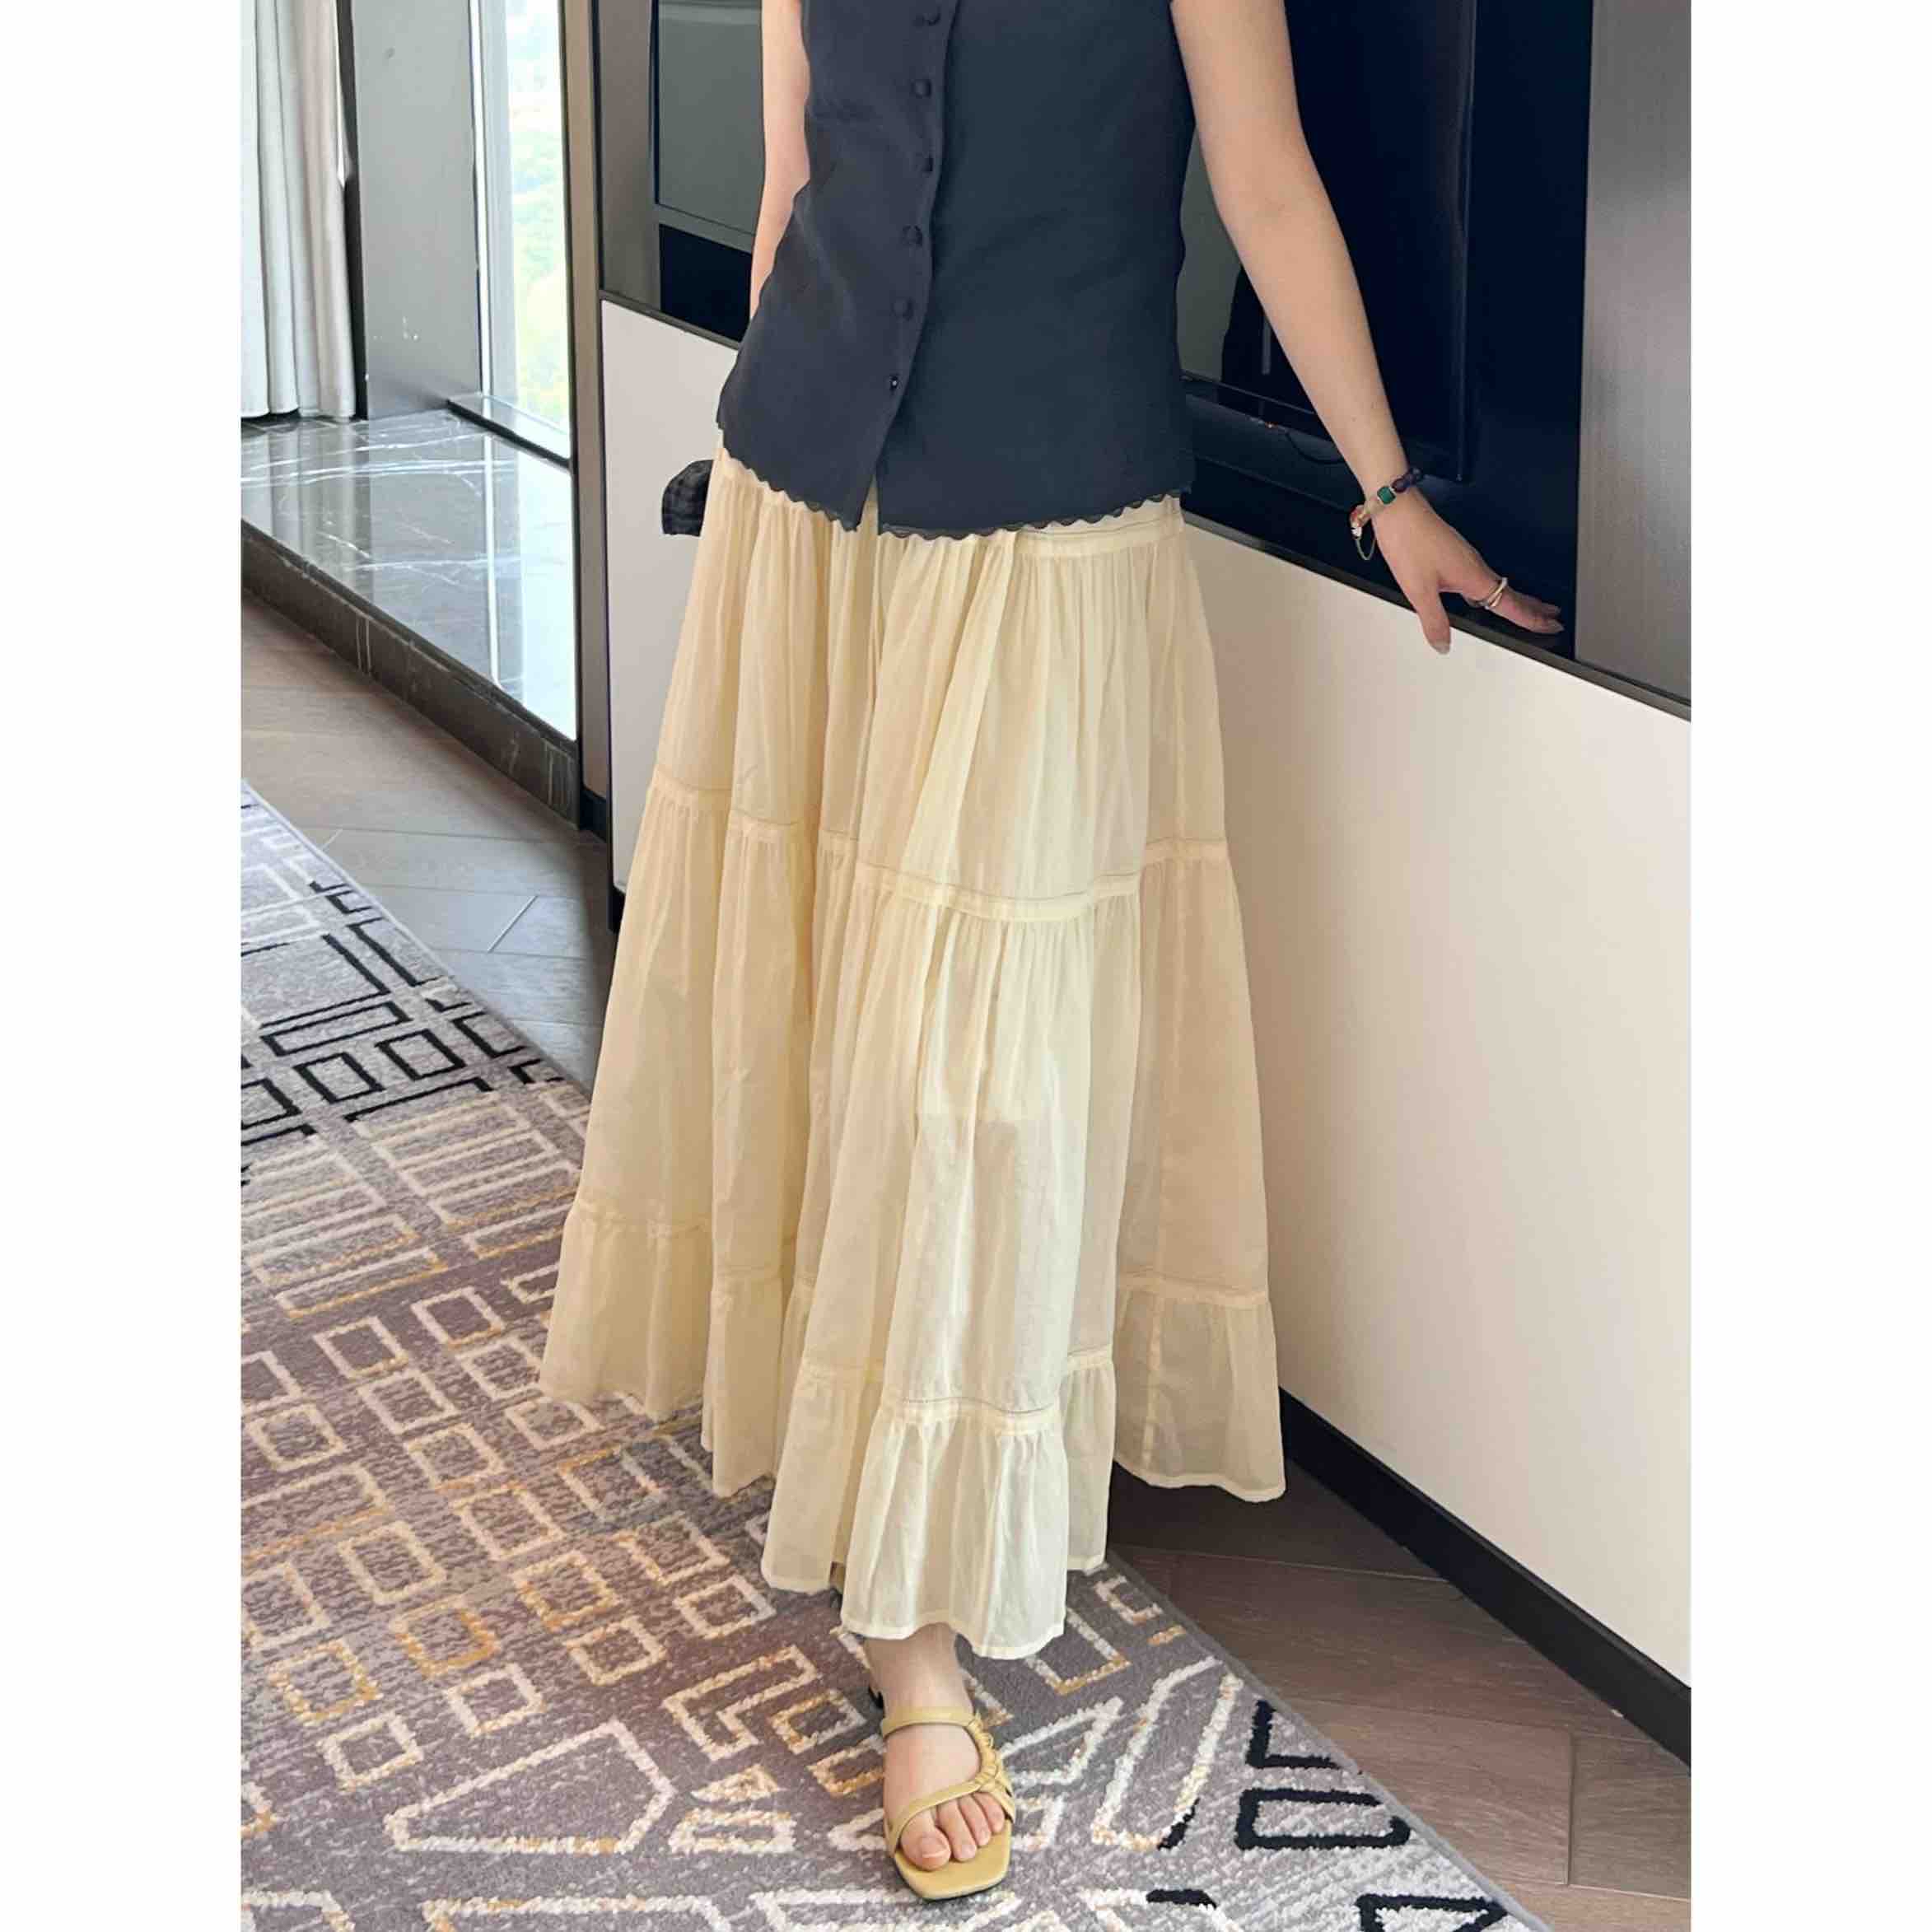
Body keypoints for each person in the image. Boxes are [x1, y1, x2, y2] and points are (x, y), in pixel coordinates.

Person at [539, 0, 1564, 1901]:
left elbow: (1264, 175)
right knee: (825, 1000)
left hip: (1047, 521)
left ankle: (915, 1614)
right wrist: (772, 460)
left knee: (973, 1082)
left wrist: (1390, 493)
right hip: (811, 495)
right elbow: (795, 175)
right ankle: (868, 1513)